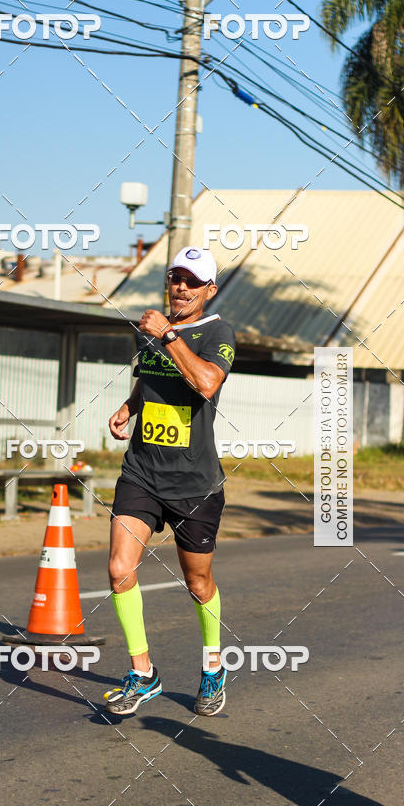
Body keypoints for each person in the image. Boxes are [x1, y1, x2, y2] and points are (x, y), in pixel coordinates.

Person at [104, 246, 236, 717]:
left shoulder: (218, 332)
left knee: (197, 582)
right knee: (120, 568)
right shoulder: (150, 330)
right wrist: (130, 406)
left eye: (191, 281)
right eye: (175, 277)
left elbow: (205, 383)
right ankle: (143, 674)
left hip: (194, 484)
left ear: (209, 290)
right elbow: (150, 379)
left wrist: (168, 335)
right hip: (141, 471)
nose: (181, 286)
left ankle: (213, 667)